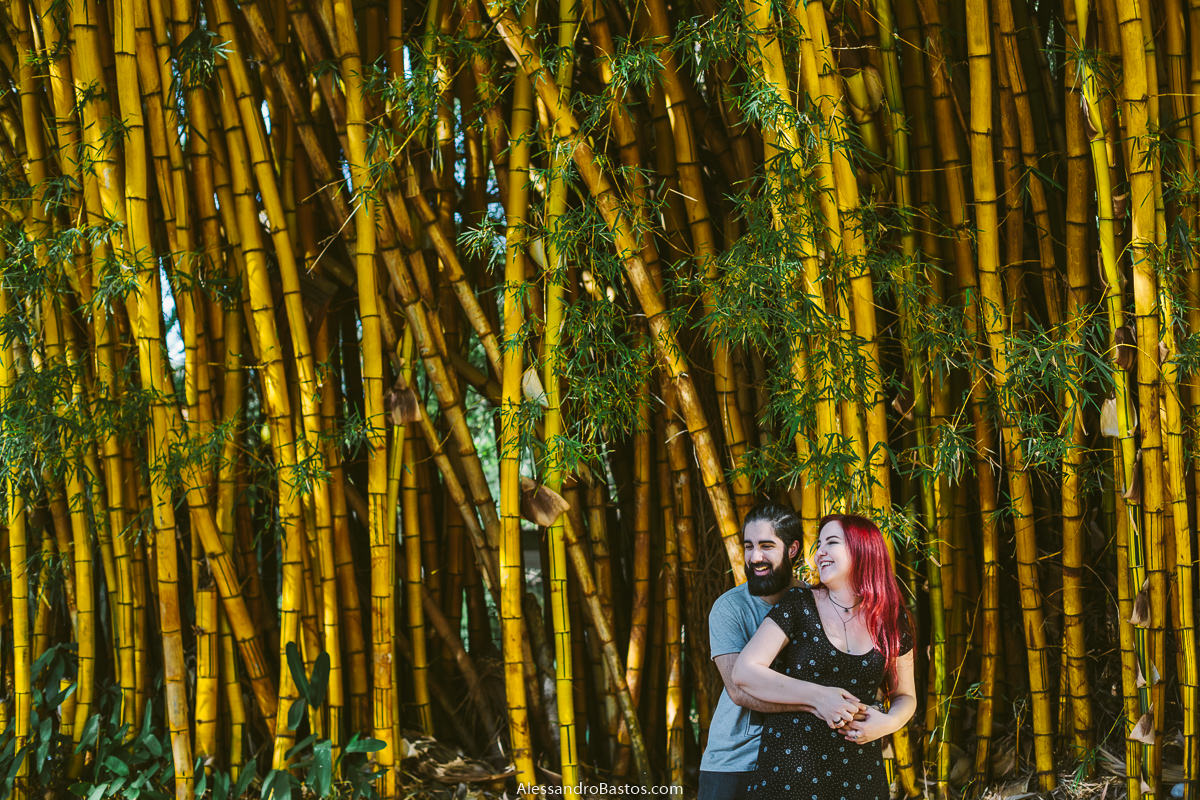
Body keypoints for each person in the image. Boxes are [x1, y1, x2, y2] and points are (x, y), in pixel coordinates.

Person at [731, 514, 917, 800]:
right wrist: (819, 697)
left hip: (860, 771)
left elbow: (905, 695)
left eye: (831, 542)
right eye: (819, 545)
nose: (819, 553)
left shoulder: (891, 619)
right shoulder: (799, 604)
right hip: (791, 768)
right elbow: (744, 671)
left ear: (863, 549)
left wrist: (889, 723)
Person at [698, 504, 817, 800]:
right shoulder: (730, 608)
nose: (755, 557)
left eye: (766, 546)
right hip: (736, 761)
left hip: (802, 757)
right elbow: (739, 691)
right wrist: (816, 704)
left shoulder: (818, 604)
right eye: (749, 546)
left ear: (792, 549)